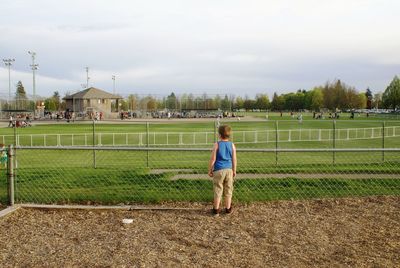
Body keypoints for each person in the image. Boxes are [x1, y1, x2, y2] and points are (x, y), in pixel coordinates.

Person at [208, 125, 237, 216]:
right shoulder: (232, 145)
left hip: (219, 170)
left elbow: (213, 159)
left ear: (219, 135)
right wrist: (234, 170)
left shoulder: (217, 144)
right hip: (229, 170)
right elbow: (234, 159)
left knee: (218, 190)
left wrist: (210, 169)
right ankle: (228, 209)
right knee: (228, 190)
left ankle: (216, 210)